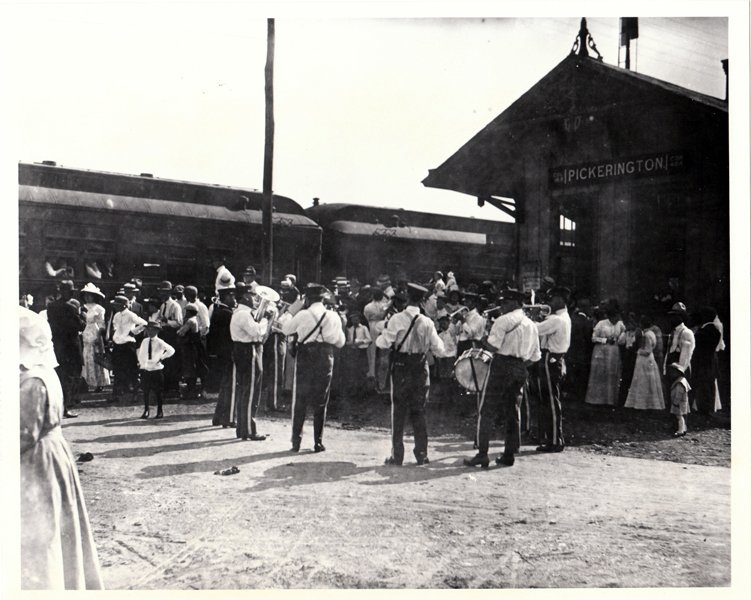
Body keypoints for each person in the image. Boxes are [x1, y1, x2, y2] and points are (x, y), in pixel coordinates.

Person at [19, 307, 104, 589]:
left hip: (35, 460)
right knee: (60, 525)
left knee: (41, 533)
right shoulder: (45, 372)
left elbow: (22, 433)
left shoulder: (30, 382)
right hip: (54, 453)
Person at [464, 289, 540, 468]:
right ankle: (509, 454)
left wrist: (483, 339)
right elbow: (535, 356)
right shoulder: (531, 324)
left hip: (501, 366)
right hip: (521, 367)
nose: (502, 306)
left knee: (487, 410)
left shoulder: (503, 320)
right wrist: (518, 365)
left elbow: (492, 347)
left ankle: (482, 454)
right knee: (513, 412)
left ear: (514, 303)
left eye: (505, 302)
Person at [375, 283, 444, 466]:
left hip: (401, 366)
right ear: (422, 301)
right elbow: (440, 349)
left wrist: (382, 333)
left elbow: (383, 343)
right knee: (419, 411)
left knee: (398, 411)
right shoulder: (428, 322)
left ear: (406, 299)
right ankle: (421, 454)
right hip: (420, 367)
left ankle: (397, 455)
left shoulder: (397, 319)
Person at [283, 283, 346, 452]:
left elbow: (285, 328)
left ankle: (296, 441)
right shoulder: (333, 316)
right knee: (321, 400)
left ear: (308, 299)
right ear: (324, 298)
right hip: (325, 356)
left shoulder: (303, 314)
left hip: (306, 356)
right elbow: (341, 342)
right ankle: (318, 442)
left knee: (300, 399)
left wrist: (290, 312)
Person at [533, 286, 572, 452]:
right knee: (549, 400)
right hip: (553, 359)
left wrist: (532, 318)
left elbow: (536, 329)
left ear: (562, 300)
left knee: (550, 401)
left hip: (551, 359)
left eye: (553, 298)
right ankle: (552, 438)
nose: (549, 302)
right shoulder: (560, 317)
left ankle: (555, 440)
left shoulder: (557, 319)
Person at [229, 283, 270, 441]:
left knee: (245, 390)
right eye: (254, 296)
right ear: (246, 296)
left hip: (242, 350)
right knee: (251, 391)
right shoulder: (244, 314)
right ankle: (249, 430)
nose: (256, 299)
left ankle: (242, 428)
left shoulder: (242, 312)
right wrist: (266, 319)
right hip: (248, 351)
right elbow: (257, 331)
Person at [45, 280, 86, 417]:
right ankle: (66, 407)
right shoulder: (71, 308)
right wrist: (83, 314)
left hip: (58, 346)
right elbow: (80, 326)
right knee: (70, 378)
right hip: (71, 347)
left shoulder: (51, 307)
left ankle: (59, 407)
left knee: (60, 377)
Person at [584, 301, 625, 407]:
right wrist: (605, 340)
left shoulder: (620, 324)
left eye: (617, 316)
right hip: (601, 351)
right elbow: (593, 338)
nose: (615, 319)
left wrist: (621, 337)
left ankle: (610, 400)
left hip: (614, 351)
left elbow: (622, 340)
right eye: (613, 316)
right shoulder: (601, 324)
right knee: (600, 373)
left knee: (611, 373)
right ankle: (596, 399)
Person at [106, 295, 147, 402]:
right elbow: (115, 329)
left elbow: (144, 323)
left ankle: (135, 394)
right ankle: (116, 394)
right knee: (117, 370)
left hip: (128, 345)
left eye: (117, 304)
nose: (115, 306)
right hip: (118, 345)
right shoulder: (116, 315)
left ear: (124, 305)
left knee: (132, 370)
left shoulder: (131, 315)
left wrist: (133, 332)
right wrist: (113, 338)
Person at [664, 302, 696, 436]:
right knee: (671, 397)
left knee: (680, 397)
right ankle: (673, 423)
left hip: (679, 370)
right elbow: (669, 351)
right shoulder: (673, 332)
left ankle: (682, 426)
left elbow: (686, 355)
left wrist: (679, 369)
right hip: (671, 368)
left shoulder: (686, 333)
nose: (672, 319)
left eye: (675, 316)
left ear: (681, 317)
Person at [209, 282, 237, 427]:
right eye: (232, 297)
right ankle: (227, 418)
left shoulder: (219, 311)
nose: (235, 300)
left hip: (222, 354)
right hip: (229, 353)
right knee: (230, 385)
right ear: (226, 297)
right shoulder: (227, 314)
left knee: (225, 385)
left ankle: (219, 417)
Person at [624, 314, 665, 411]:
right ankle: (649, 403)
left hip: (644, 359)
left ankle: (643, 404)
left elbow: (647, 351)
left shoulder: (646, 335)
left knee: (643, 381)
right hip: (650, 359)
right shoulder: (651, 333)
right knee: (649, 381)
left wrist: (636, 351)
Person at [136, 319, 175, 419]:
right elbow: (141, 353)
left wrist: (162, 358)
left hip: (156, 370)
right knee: (146, 391)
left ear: (157, 331)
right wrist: (141, 363)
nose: (150, 332)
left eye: (152, 330)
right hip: (146, 369)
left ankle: (160, 411)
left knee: (158, 392)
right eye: (148, 330)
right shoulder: (144, 341)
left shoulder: (160, 342)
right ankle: (146, 410)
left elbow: (171, 350)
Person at [690, 306, 721, 415]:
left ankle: (704, 410)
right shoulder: (715, 330)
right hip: (710, 362)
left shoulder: (704, 331)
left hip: (702, 362)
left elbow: (697, 347)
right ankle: (708, 410)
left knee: (703, 386)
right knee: (709, 385)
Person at [80, 283, 110, 392]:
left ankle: (99, 382)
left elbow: (101, 324)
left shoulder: (99, 308)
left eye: (90, 295)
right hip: (84, 331)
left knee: (96, 357)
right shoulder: (82, 307)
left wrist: (99, 337)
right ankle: (86, 382)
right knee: (86, 357)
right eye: (86, 295)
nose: (87, 297)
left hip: (94, 331)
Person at [156, 280, 183, 393]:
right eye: (161, 292)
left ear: (169, 293)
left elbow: (179, 323)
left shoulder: (175, 306)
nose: (163, 294)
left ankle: (174, 386)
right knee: (165, 360)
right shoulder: (163, 305)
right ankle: (166, 385)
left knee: (172, 360)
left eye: (165, 292)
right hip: (163, 334)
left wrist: (167, 321)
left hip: (171, 335)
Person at [565, 297, 594, 401]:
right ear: (585, 308)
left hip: (571, 351)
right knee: (580, 374)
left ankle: (572, 394)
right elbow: (588, 337)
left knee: (573, 373)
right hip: (581, 352)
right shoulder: (585, 321)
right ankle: (579, 395)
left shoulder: (572, 318)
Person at [176, 303, 205, 399]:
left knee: (189, 366)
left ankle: (191, 390)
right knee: (192, 366)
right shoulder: (195, 319)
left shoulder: (190, 321)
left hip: (189, 346)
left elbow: (181, 332)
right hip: (193, 346)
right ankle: (192, 389)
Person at [343, 311, 372, 399]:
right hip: (353, 351)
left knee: (362, 371)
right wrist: (350, 343)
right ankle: (354, 391)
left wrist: (361, 342)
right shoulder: (349, 329)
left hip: (361, 351)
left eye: (356, 318)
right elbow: (347, 341)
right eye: (353, 319)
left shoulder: (364, 328)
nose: (355, 320)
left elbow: (369, 340)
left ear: (359, 319)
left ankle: (363, 392)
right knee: (353, 371)